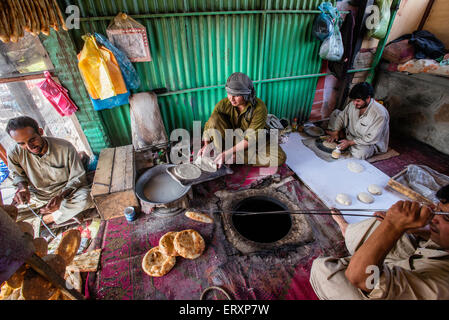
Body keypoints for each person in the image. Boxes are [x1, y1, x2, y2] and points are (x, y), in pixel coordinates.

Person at [309, 185, 449, 300]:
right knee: (380, 227)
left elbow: (362, 280)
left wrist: (393, 226)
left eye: (446, 218)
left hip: (389, 286)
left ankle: (359, 255)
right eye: (438, 210)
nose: (434, 218)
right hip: (419, 258)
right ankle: (348, 230)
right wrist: (417, 230)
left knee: (324, 270)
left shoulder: (441, 287)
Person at [6, 116, 94, 225]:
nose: (29, 147)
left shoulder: (64, 147)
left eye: (32, 140)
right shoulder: (14, 153)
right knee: (11, 216)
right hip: (38, 196)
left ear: (40, 131)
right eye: (22, 144)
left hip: (66, 193)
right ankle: (65, 214)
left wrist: (61, 197)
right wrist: (23, 189)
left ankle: (50, 218)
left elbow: (78, 178)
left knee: (86, 198)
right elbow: (18, 175)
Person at [199, 72, 286, 167]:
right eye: (229, 93)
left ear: (246, 95)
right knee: (214, 118)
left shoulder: (259, 108)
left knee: (279, 157)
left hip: (254, 139)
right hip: (232, 138)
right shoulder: (223, 104)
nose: (231, 99)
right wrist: (206, 144)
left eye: (236, 95)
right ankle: (224, 154)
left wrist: (227, 153)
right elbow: (209, 125)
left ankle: (237, 157)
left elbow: (250, 139)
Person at [326, 82, 389, 160]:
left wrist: (350, 143)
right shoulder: (354, 104)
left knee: (360, 153)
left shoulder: (379, 114)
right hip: (351, 133)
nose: (355, 103)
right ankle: (339, 135)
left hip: (368, 142)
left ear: (368, 98)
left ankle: (344, 140)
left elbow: (371, 138)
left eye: (358, 101)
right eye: (353, 100)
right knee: (335, 113)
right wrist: (336, 132)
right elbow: (342, 116)